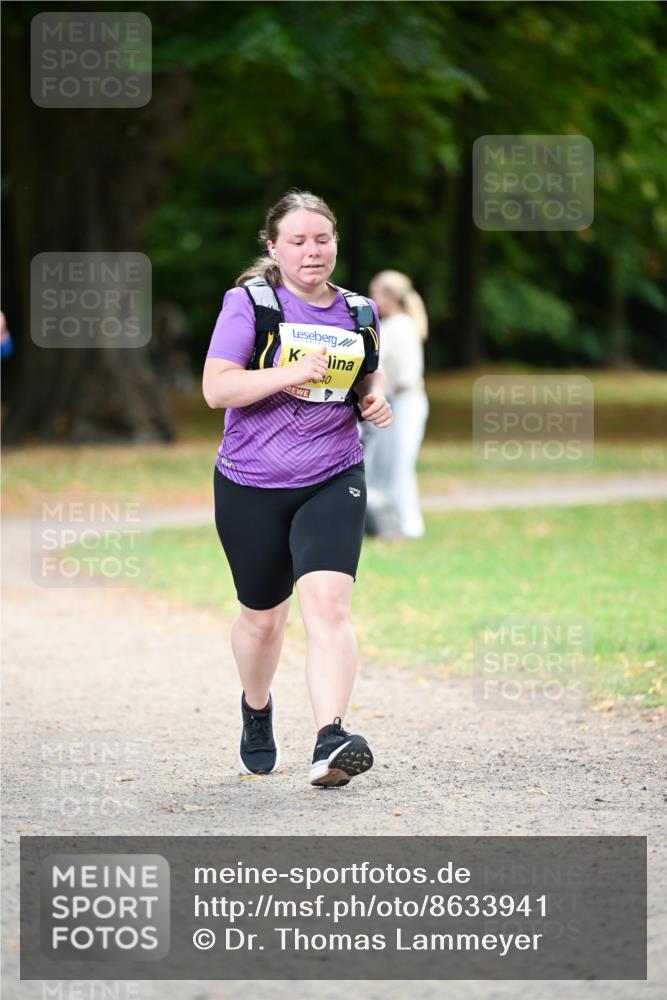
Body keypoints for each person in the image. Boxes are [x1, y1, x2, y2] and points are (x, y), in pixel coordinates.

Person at [202, 190, 392, 788]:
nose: (313, 251)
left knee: (328, 608)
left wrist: (373, 399)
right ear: (274, 247)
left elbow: (366, 376)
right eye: (298, 240)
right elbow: (217, 390)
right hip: (251, 480)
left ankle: (330, 737)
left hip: (333, 475)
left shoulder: (360, 311)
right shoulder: (249, 305)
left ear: (336, 242)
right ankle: (256, 709)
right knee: (263, 620)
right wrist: (291, 371)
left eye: (323, 239)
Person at [364, 270, 429, 539]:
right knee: (383, 463)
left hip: (406, 401)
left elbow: (401, 374)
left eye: (376, 292)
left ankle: (409, 524)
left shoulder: (400, 325)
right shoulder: (392, 325)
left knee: (401, 463)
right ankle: (386, 522)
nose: (371, 298)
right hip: (396, 400)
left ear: (390, 296)